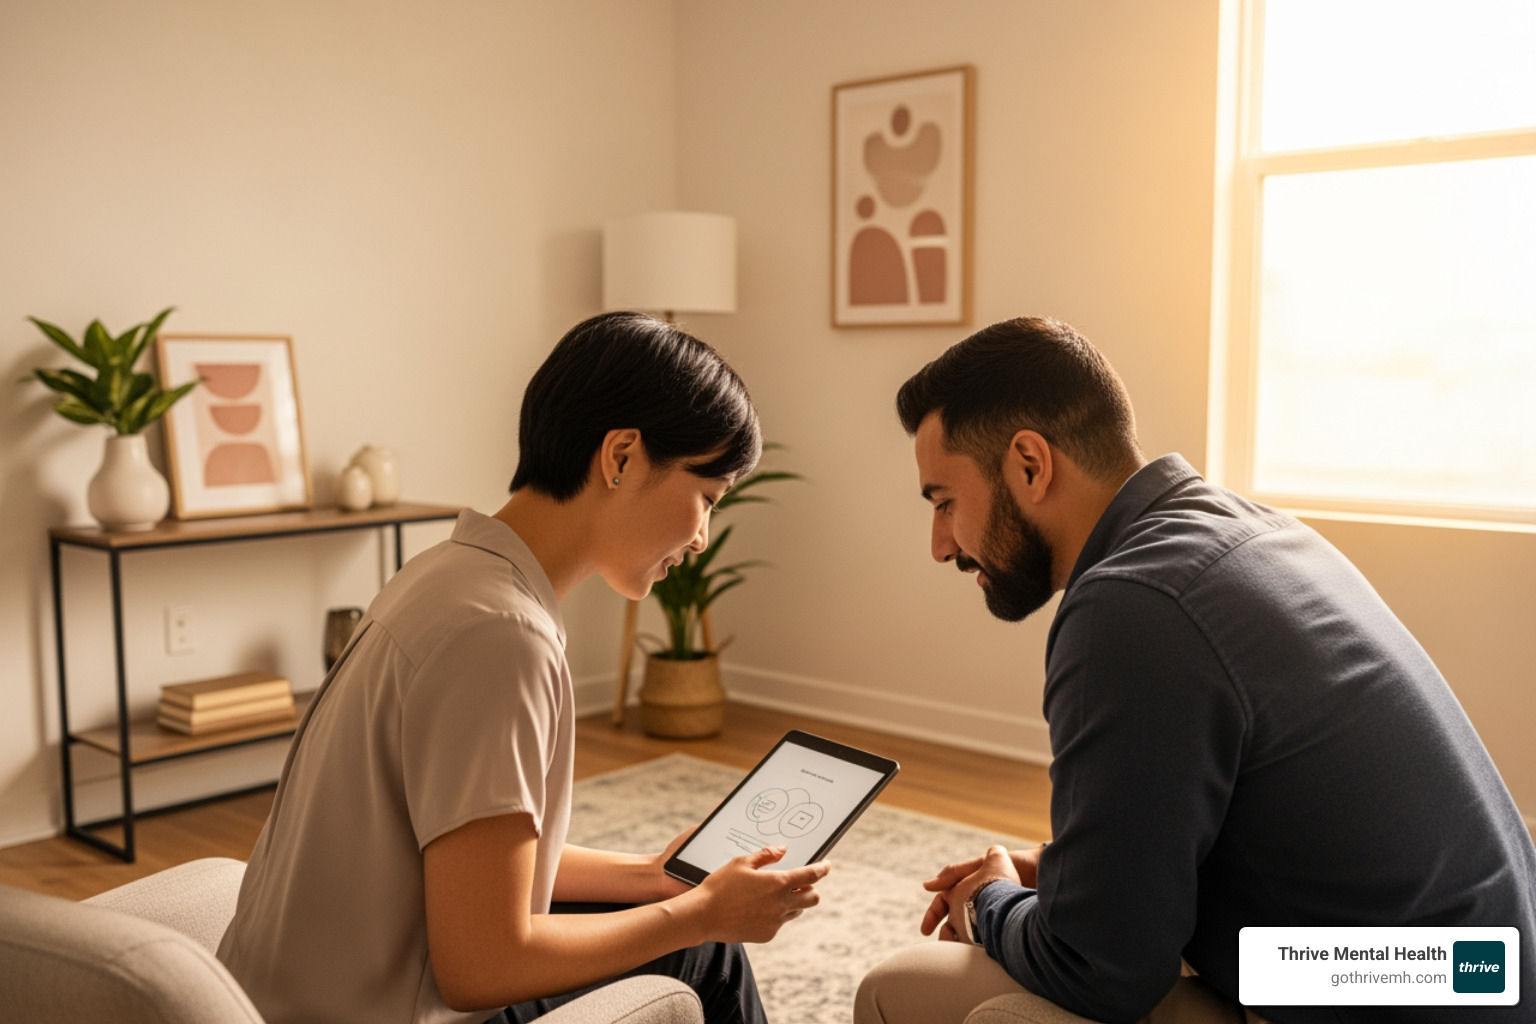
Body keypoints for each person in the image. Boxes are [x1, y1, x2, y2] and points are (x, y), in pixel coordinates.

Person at [855, 317, 1536, 1024]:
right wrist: (1067, 869)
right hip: (1471, 976)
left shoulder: (1130, 605)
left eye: (944, 502)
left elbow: (1097, 971)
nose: (942, 545)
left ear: (1030, 464)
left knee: (899, 989)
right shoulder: (1258, 532)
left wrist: (989, 900)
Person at [218, 312, 828, 1024]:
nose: (700, 537)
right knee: (707, 951)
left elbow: (464, 861)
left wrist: (652, 878)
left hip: (277, 996)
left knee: (666, 907)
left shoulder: (447, 576)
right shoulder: (501, 637)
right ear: (622, 457)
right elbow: (481, 967)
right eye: (707, 499)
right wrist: (698, 917)